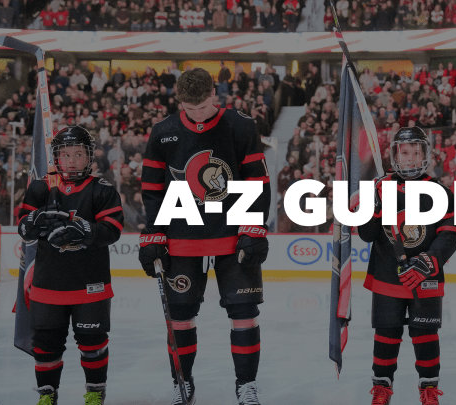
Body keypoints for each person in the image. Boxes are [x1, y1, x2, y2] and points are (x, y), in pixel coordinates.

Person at [139, 68, 271, 405]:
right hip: (182, 235)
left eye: (202, 106)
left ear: (216, 94)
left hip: (232, 234)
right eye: (189, 108)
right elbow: (153, 189)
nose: (196, 115)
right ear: (179, 100)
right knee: (180, 313)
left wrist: (253, 228)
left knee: (244, 310)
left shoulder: (241, 125)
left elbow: (256, 180)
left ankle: (246, 385)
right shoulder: (163, 131)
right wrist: (153, 233)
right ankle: (182, 383)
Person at [18, 126, 123, 405]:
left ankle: (94, 393)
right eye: (65, 155)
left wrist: (86, 231)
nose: (72, 160)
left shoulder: (101, 190)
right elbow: (24, 230)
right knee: (46, 346)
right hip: (48, 284)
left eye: (78, 154)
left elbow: (113, 229)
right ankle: (47, 395)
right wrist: (37, 218)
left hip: (90, 284)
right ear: (56, 158)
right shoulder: (40, 188)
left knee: (93, 342)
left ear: (89, 157)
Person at [358, 127, 456, 405]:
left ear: (426, 155)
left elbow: (450, 233)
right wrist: (374, 207)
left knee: (425, 334)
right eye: (406, 153)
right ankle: (382, 388)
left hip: (425, 276)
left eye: (417, 152)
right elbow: (366, 235)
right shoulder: (380, 188)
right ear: (396, 156)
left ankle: (428, 390)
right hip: (387, 277)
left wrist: (428, 262)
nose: (411, 158)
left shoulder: (440, 191)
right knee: (387, 332)